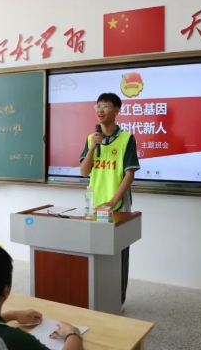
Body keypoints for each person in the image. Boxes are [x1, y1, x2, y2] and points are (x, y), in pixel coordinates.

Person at [79, 93, 140, 307]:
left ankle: (118, 300)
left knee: (119, 254)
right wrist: (93, 148)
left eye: (105, 106)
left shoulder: (126, 139)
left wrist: (113, 200)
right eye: (98, 106)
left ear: (117, 110)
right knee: (96, 251)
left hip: (118, 205)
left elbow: (129, 175)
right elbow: (84, 171)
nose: (100, 110)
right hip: (95, 205)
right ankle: (98, 298)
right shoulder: (91, 138)